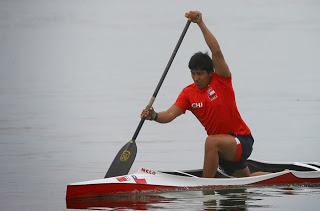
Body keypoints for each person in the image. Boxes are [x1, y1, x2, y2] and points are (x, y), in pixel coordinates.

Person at [141, 11, 261, 178]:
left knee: (210, 141)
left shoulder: (221, 81)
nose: (196, 78)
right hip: (223, 148)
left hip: (241, 140)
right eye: (193, 74)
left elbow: (216, 51)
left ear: (210, 73)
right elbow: (168, 115)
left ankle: (205, 186)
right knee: (246, 179)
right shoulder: (188, 93)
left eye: (200, 74)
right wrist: (153, 115)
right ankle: (284, 177)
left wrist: (200, 23)